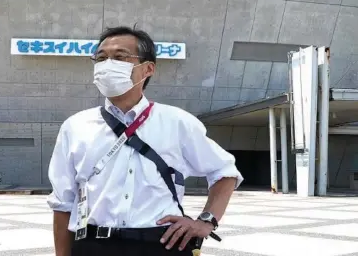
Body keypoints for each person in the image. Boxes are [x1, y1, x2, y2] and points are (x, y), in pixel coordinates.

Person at [47, 26, 243, 256]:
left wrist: (206, 221)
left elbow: (225, 172)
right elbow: (63, 203)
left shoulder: (177, 122)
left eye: (119, 57)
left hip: (161, 245)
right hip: (93, 245)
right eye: (101, 58)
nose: (107, 64)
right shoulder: (75, 126)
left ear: (148, 69)